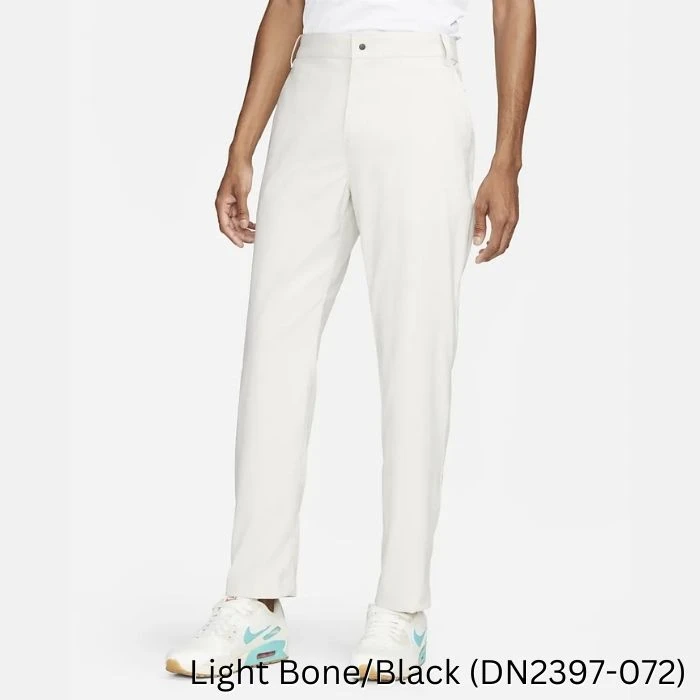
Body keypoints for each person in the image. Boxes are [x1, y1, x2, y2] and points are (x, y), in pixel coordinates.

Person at [166, 0, 535, 681]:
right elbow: (287, 6)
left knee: (416, 351)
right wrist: (241, 147)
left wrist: (507, 159)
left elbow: (513, 9)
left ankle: (402, 608)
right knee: (274, 345)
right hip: (313, 85)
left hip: (418, 87)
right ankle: (254, 601)